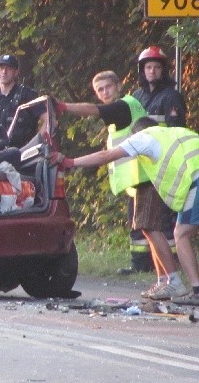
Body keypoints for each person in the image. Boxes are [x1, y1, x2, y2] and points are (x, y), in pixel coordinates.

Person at [53, 71, 178, 292]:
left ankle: (174, 281)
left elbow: (92, 111)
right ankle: (163, 282)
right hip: (145, 178)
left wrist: (63, 106)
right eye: (99, 90)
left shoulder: (123, 106)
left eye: (108, 87)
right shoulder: (124, 111)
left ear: (119, 86)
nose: (104, 93)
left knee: (152, 229)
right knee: (149, 230)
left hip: (148, 177)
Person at [51, 116, 197, 302]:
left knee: (181, 234)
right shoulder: (176, 132)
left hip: (196, 178)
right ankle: (174, 283)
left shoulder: (144, 137)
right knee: (179, 231)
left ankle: (192, 289)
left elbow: (106, 156)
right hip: (194, 177)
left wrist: (70, 163)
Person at [122, 46, 187, 274]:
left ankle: (172, 264)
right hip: (140, 167)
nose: (152, 71)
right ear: (142, 70)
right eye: (148, 67)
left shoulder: (171, 96)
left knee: (162, 217)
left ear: (163, 70)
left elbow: (175, 133)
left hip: (163, 164)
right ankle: (139, 264)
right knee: (137, 214)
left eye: (157, 67)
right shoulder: (136, 97)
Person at [0, 54, 46, 148]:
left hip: (24, 155)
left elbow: (49, 120)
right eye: (1, 68)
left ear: (16, 72)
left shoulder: (27, 95)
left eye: (8, 68)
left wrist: (34, 143)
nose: (4, 72)